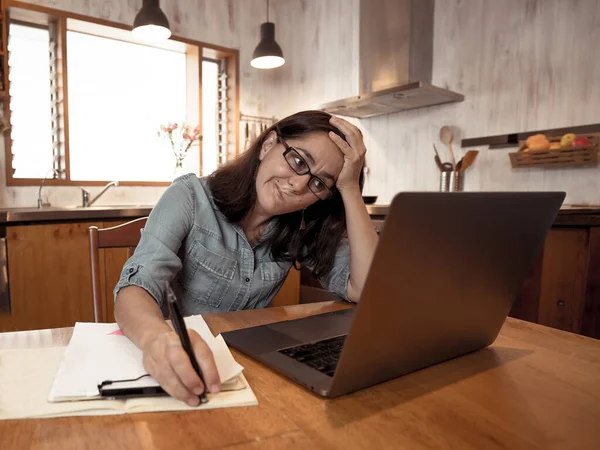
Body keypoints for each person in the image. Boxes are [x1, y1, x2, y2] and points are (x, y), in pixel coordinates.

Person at [113, 110, 379, 406]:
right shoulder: (189, 197)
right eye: (298, 161)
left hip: (248, 371)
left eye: (319, 184)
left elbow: (365, 289)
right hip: (175, 364)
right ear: (268, 145)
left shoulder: (300, 227)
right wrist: (156, 340)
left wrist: (350, 188)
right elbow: (135, 287)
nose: (298, 186)